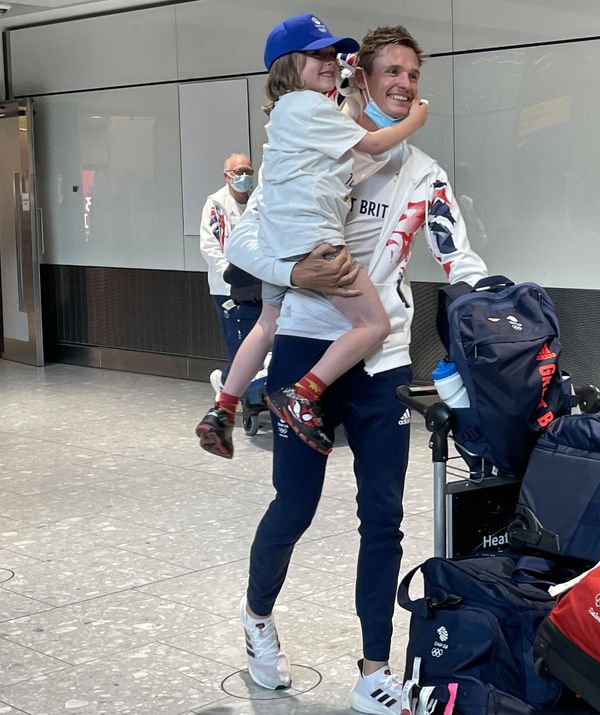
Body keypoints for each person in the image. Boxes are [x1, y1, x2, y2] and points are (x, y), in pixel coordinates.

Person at [224, 25, 488, 714]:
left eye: (412, 73)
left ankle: (375, 667)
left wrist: (495, 305)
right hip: (306, 349)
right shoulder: (314, 136)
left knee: (384, 519)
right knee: (294, 505)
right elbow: (247, 241)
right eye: (390, 72)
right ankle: (257, 617)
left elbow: (459, 255)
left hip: (384, 362)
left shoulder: (424, 171)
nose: (403, 84)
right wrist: (292, 270)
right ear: (361, 78)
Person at [195, 13, 427, 459]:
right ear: (287, 64)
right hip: (314, 241)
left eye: (332, 55)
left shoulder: (297, 116)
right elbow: (372, 143)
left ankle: (222, 408)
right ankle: (304, 394)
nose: (329, 62)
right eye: (316, 55)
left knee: (266, 324)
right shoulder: (311, 109)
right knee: (375, 324)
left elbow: (349, 119)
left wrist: (352, 85)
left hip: (284, 242)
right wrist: (417, 118)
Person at [199, 153, 258, 385]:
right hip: (227, 287)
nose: (244, 176)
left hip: (257, 286)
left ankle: (242, 386)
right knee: (237, 342)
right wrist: (229, 274)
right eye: (239, 172)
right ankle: (228, 384)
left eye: (248, 171)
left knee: (256, 344)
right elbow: (209, 243)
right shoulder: (216, 203)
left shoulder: (257, 202)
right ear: (227, 176)